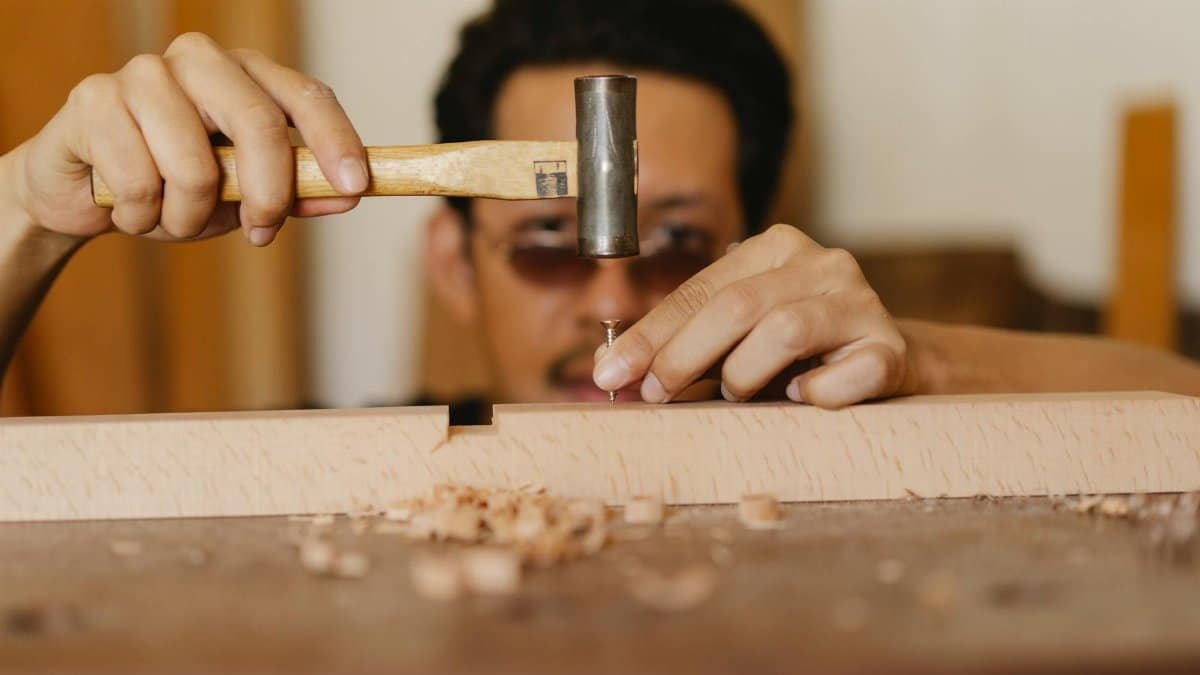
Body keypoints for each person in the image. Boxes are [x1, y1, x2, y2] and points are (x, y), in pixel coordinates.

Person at [1, 0, 1198, 421]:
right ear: (455, 264)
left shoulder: (845, 435)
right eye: (544, 251)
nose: (618, 301)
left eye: (678, 243)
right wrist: (27, 211)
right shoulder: (325, 466)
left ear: (757, 240)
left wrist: (923, 364)